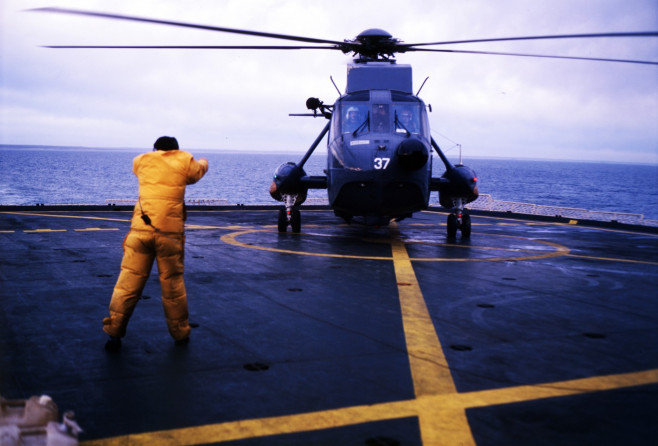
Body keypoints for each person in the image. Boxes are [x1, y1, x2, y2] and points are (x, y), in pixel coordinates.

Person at [103, 136, 209, 351]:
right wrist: (204, 161)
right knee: (173, 287)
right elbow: (196, 172)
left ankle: (114, 332)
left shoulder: (142, 161)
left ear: (155, 148)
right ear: (176, 150)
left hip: (140, 232)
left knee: (127, 285)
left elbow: (141, 166)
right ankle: (180, 334)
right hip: (169, 235)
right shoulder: (184, 161)